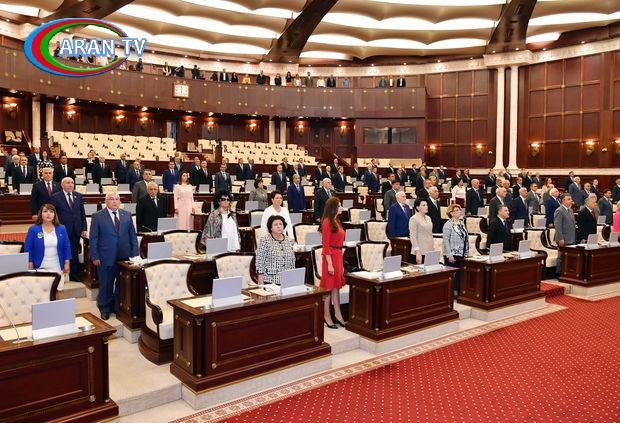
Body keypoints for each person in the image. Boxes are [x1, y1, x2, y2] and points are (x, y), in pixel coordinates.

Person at [89, 193, 138, 320]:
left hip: (124, 256)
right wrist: (95, 256)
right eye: (111, 199)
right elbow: (93, 238)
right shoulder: (97, 216)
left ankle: (117, 307)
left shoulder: (127, 215)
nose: (115, 201)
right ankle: (104, 308)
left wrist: (135, 255)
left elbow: (133, 236)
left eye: (117, 199)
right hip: (105, 256)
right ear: (106, 201)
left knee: (121, 284)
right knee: (106, 284)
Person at [24, 203, 72, 289]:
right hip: (40, 266)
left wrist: (67, 263)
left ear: (54, 214)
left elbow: (66, 246)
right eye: (45, 211)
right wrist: (30, 262)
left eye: (51, 211)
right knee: (41, 291)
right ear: (41, 214)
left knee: (57, 291)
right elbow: (28, 248)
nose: (48, 214)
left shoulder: (61, 228)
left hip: (57, 265)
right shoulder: (33, 229)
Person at [51, 177, 87, 282]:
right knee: (63, 251)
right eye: (68, 183)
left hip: (76, 229)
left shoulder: (78, 196)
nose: (70, 184)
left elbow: (82, 213)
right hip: (62, 230)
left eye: (72, 182)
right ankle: (61, 274)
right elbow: (53, 215)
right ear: (62, 185)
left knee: (74, 252)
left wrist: (84, 228)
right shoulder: (55, 197)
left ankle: (74, 274)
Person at [320, 197, 346, 329]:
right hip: (330, 257)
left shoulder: (337, 221)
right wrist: (330, 264)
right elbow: (325, 245)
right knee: (328, 288)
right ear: (334, 207)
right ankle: (326, 315)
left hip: (338, 255)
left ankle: (337, 314)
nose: (341, 207)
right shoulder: (327, 222)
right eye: (339, 205)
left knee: (336, 287)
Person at [255, 215, 296, 285]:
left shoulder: (288, 240)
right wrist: (260, 281)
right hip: (270, 280)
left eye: (280, 224)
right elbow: (260, 261)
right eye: (275, 224)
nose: (278, 226)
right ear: (271, 228)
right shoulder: (265, 240)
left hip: (287, 279)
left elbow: (292, 260)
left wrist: (293, 278)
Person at [442, 204, 469, 298]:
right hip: (452, 254)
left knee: (460, 274)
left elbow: (466, 238)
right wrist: (449, 254)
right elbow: (445, 240)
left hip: (461, 253)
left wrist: (466, 252)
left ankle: (458, 291)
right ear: (451, 213)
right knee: (453, 275)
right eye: (456, 210)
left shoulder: (462, 223)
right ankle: (452, 293)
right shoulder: (448, 224)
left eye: (459, 210)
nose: (458, 212)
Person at [554, 194, 576, 274]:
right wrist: (560, 238)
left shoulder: (571, 210)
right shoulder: (559, 210)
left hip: (571, 237)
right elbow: (558, 226)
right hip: (563, 238)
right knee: (561, 257)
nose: (571, 201)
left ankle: (567, 273)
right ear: (563, 201)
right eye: (568, 199)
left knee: (569, 256)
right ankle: (559, 273)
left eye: (571, 199)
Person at [409, 198, 434, 264]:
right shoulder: (413, 219)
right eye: (423, 205)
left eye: (426, 205)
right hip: (420, 251)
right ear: (417, 207)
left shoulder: (428, 218)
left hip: (430, 249)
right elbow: (413, 236)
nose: (426, 206)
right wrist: (417, 251)